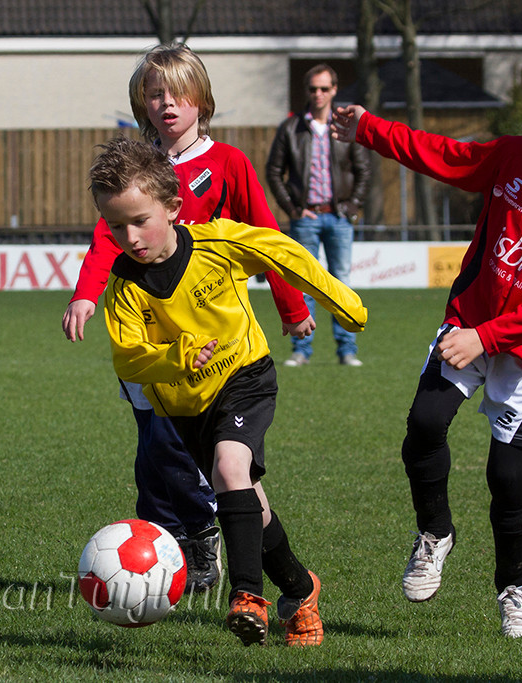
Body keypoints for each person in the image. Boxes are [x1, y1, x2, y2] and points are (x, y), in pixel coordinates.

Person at [331, 54, 522, 638]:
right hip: (469, 319)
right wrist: (369, 128)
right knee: (424, 423)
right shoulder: (513, 157)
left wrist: (485, 338)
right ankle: (435, 532)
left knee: (506, 478)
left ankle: (515, 590)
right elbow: (443, 155)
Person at [90, 136, 366, 646]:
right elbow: (128, 357)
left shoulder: (216, 244)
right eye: (116, 226)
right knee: (248, 505)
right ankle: (300, 590)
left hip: (244, 375)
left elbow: (279, 249)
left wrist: (341, 302)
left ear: (173, 208)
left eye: (140, 221)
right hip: (186, 406)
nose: (129, 237)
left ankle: (248, 597)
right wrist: (176, 358)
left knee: (228, 469)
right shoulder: (124, 285)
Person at [62, 44, 315, 594]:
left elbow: (267, 239)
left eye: (179, 93)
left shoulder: (227, 164)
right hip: (147, 331)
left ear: (202, 100)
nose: (167, 104)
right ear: (142, 103)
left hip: (210, 337)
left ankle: (197, 536)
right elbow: (105, 238)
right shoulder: (134, 168)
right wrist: (86, 295)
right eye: (155, 94)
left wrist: (292, 306)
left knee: (181, 446)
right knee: (153, 447)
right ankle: (168, 545)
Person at [266, 63, 371, 367]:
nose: (318, 94)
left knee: (341, 284)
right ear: (307, 91)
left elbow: (364, 171)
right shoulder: (291, 128)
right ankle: (301, 351)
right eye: (313, 89)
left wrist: (352, 207)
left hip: (339, 217)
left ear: (334, 90)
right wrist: (293, 209)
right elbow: (274, 171)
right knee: (303, 284)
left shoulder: (345, 128)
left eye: (324, 88)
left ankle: (347, 351)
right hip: (306, 218)